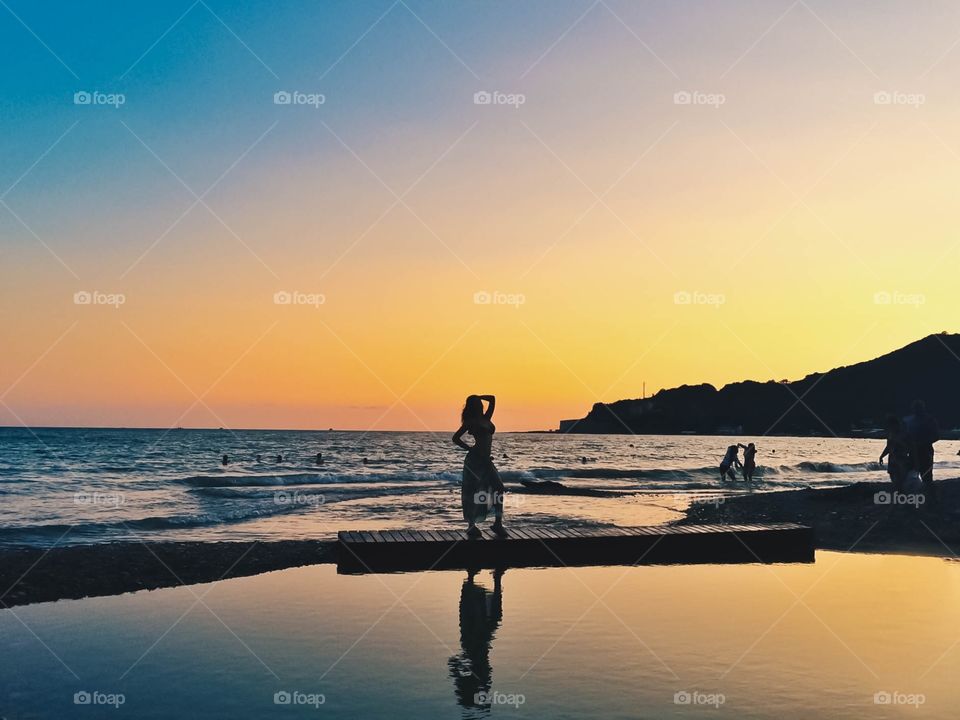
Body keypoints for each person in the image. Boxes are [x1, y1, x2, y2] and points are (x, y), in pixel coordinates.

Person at [453, 395, 506, 537]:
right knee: (472, 492)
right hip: (474, 461)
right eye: (477, 403)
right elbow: (455, 438)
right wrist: (469, 448)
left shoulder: (487, 417)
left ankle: (497, 523)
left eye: (480, 403)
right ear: (473, 406)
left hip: (486, 461)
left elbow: (493, 398)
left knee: (499, 488)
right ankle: (471, 525)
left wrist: (478, 395)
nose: (481, 405)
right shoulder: (470, 422)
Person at [904, 400, 939, 486]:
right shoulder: (908, 420)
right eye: (915, 408)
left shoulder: (929, 420)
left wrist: (923, 443)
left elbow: (936, 436)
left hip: (925, 451)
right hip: (912, 450)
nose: (917, 410)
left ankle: (928, 492)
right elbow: (905, 435)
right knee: (909, 473)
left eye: (918, 408)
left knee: (926, 475)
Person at [879, 414, 911, 492]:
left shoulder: (904, 434)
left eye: (890, 425)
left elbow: (910, 447)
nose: (889, 427)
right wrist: (882, 456)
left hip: (902, 459)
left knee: (901, 479)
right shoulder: (890, 434)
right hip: (892, 459)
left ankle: (902, 495)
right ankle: (899, 494)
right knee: (893, 477)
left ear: (895, 424)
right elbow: (888, 447)